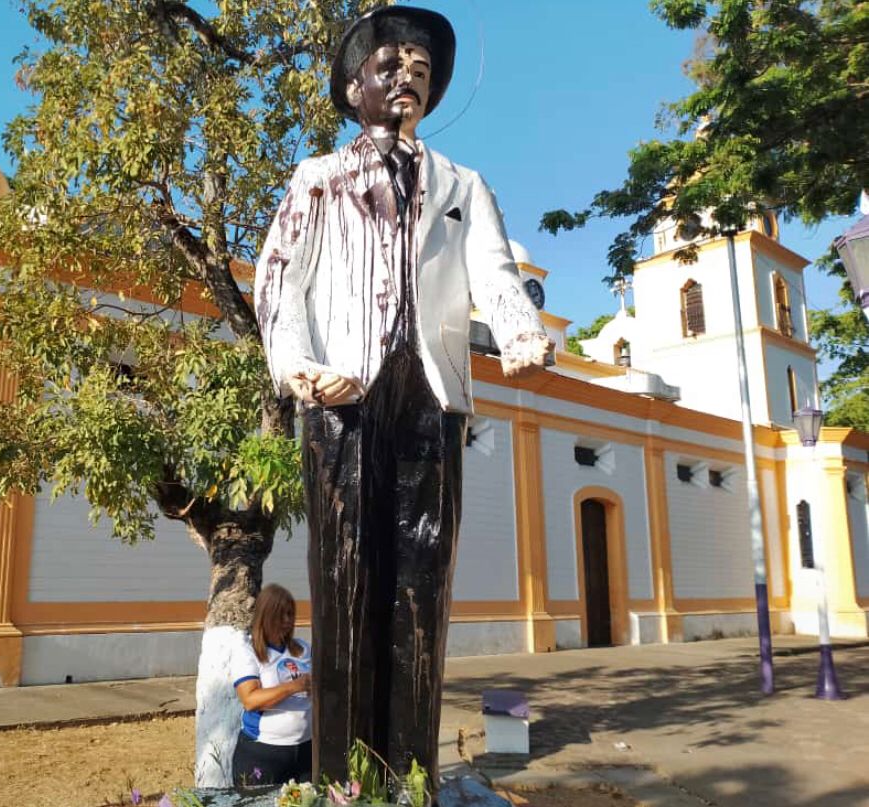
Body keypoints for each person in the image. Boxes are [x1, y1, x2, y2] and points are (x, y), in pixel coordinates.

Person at [254, 5, 551, 789]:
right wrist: (297, 367)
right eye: (389, 67)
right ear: (354, 86)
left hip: (431, 390)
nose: (406, 81)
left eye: (419, 71)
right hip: (341, 391)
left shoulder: (461, 183)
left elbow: (494, 271)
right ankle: (341, 780)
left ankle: (409, 777)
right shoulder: (316, 178)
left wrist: (518, 331)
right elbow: (279, 281)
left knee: (422, 580)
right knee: (346, 575)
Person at [229, 584, 312, 787]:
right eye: (280, 615)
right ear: (265, 616)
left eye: (290, 614)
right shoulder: (248, 651)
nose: (287, 621)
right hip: (263, 753)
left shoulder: (303, 648)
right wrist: (294, 686)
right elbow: (250, 700)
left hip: (305, 750)